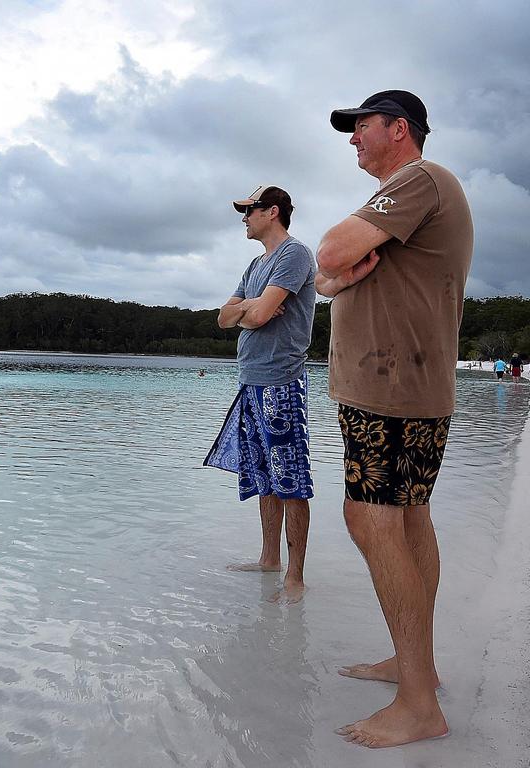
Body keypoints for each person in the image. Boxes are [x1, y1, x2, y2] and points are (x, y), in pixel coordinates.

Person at [316, 90, 473, 748]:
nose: (353, 138)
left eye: (361, 127)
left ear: (398, 130)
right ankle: (418, 671)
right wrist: (340, 274)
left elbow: (329, 251)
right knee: (404, 521)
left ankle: (417, 705)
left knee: (372, 519)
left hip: (394, 388)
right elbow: (330, 279)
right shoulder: (408, 193)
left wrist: (338, 266)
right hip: (397, 386)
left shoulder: (420, 180)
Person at [204, 185, 317, 604]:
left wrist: (250, 311)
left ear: (273, 212)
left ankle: (296, 578)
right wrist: (247, 309)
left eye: (249, 210)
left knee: (291, 480)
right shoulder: (255, 264)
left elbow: (263, 315)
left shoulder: (295, 254)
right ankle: (270, 560)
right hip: (250, 379)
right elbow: (222, 318)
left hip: (282, 379)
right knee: (265, 477)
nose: (244, 217)